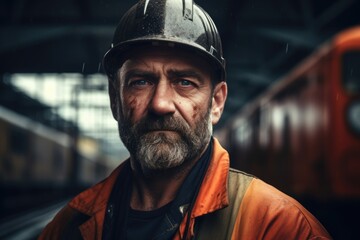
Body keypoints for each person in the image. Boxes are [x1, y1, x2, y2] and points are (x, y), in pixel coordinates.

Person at [39, 0, 331, 239]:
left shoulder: (279, 227)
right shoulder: (69, 225)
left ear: (216, 103)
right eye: (141, 81)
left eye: (185, 82)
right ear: (115, 100)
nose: (160, 104)